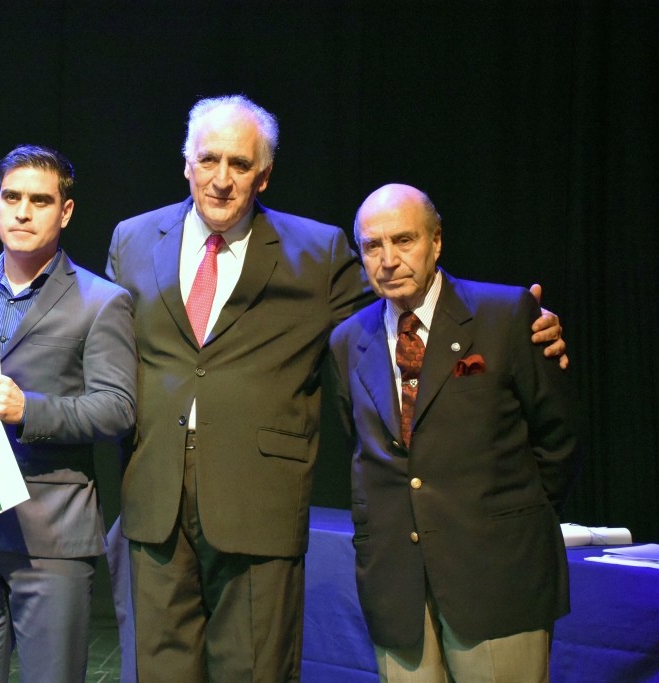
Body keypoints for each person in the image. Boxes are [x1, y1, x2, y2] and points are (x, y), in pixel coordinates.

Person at [106, 96, 567, 682]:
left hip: (258, 503)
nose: (222, 180)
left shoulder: (317, 251)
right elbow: (104, 347)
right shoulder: (131, 239)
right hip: (155, 498)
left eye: (240, 165)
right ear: (186, 164)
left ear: (264, 175)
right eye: (209, 160)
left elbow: (403, 308)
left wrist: (519, 326)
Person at [329, 184, 578, 682]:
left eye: (404, 240)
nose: (389, 259)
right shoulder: (347, 341)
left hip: (497, 579)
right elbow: (364, 446)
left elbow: (558, 437)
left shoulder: (505, 316)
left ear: (436, 241)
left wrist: (508, 519)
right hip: (397, 588)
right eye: (373, 246)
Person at [0, 145, 137, 683]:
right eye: (12, 197)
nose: (23, 211)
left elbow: (118, 408)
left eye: (40, 200)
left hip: (50, 535)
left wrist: (29, 409)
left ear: (64, 213)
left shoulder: (102, 301)